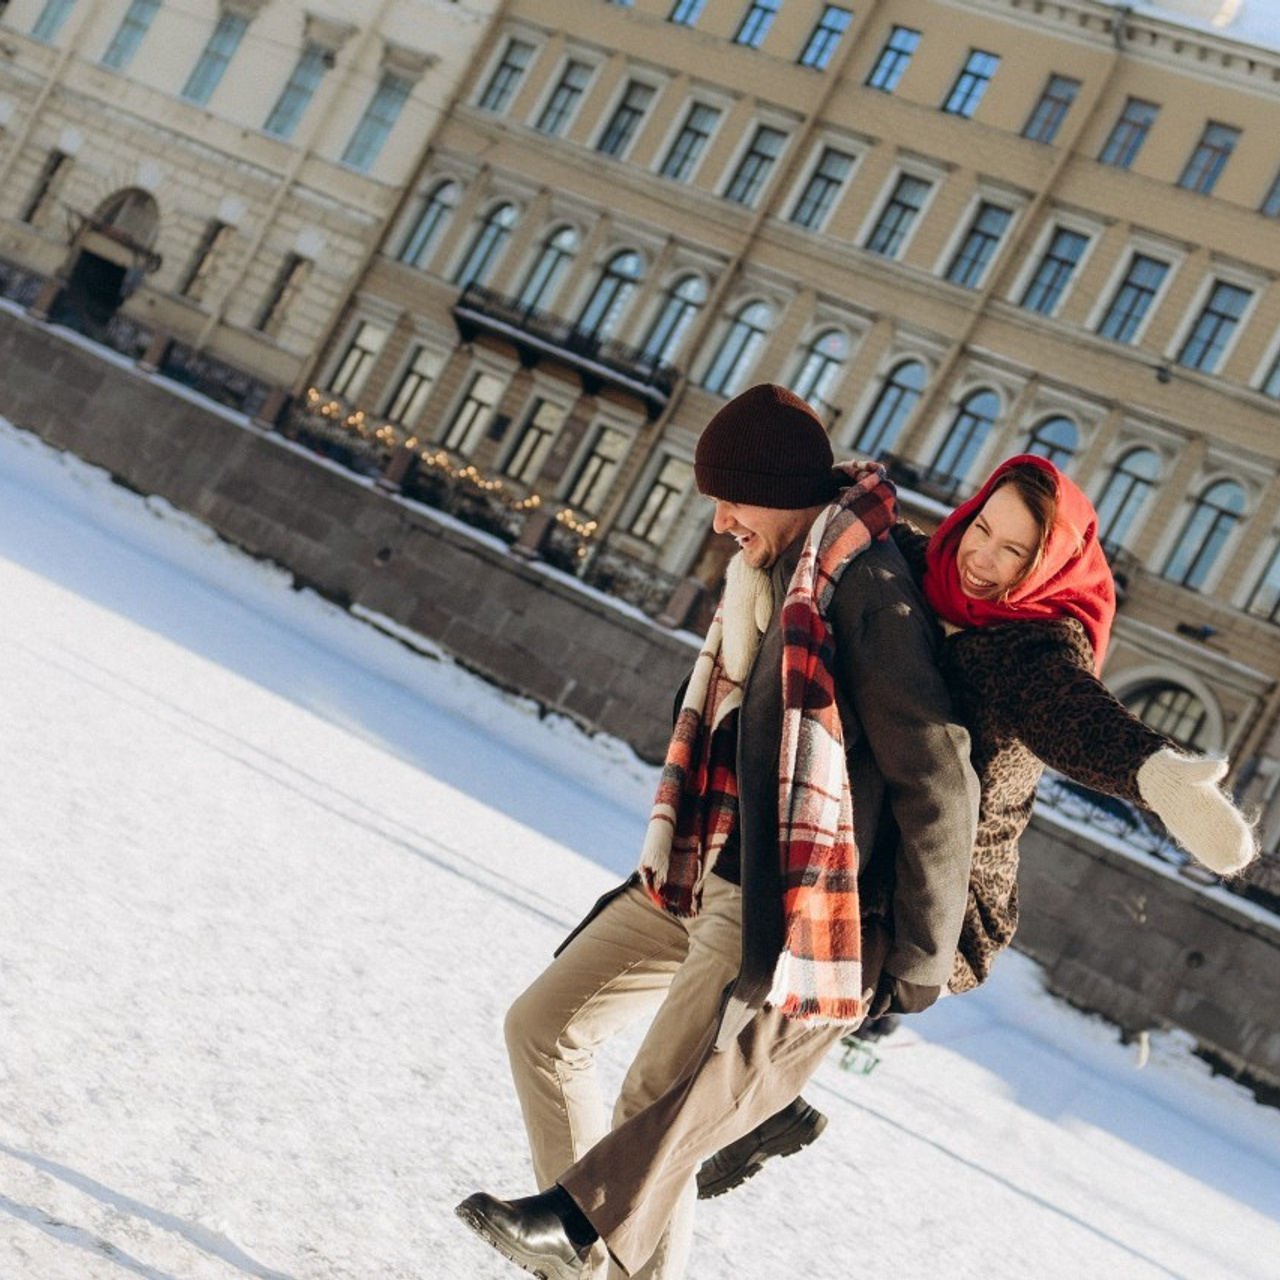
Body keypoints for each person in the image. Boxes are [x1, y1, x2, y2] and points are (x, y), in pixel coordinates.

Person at [455, 383, 980, 1279]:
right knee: (545, 1027)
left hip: (769, 896)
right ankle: (582, 1260)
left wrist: (921, 963)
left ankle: (600, 1255)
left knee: (656, 1109)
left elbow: (937, 772)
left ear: (780, 488)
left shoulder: (864, 588)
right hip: (694, 866)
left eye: (731, 501)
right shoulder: (769, 573)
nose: (721, 522)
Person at [695, 453, 1259, 1201]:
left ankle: (666, 1168)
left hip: (931, 895)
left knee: (734, 1047)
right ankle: (763, 1112)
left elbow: (1076, 716)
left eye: (1014, 551)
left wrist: (1158, 774)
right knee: (730, 1025)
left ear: (1047, 565)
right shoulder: (927, 570)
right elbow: (853, 535)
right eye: (982, 529)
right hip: (861, 847)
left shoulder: (1033, 649)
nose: (984, 559)